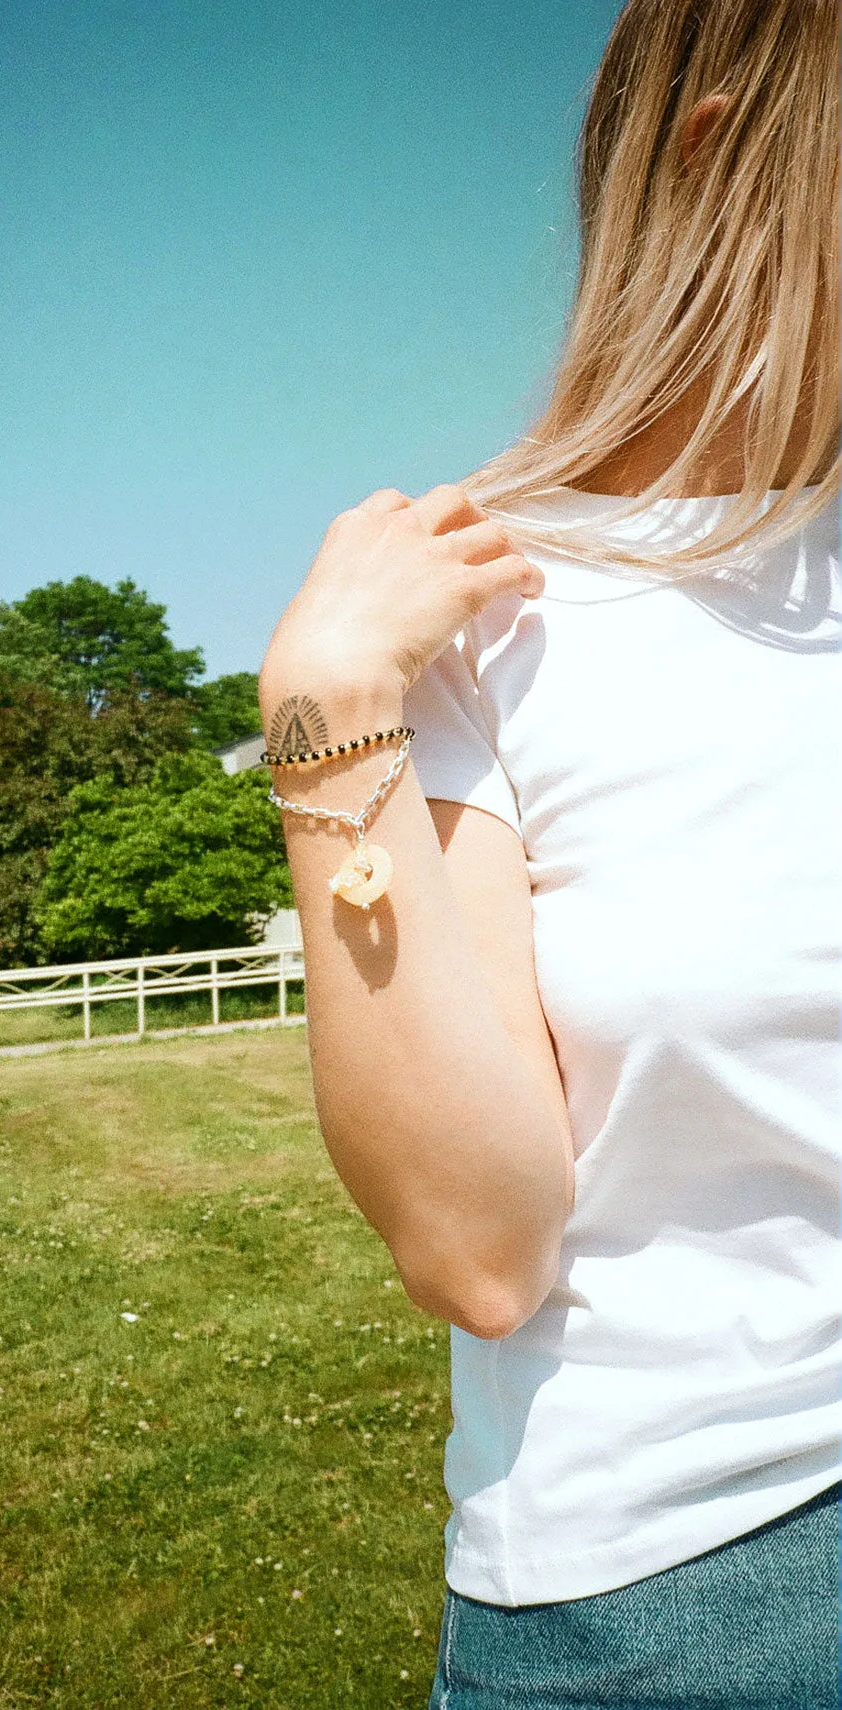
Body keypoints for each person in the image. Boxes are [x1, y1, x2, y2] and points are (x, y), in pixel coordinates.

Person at [257, 1, 840, 1704]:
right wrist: (329, 717)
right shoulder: (491, 614)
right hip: (700, 1596)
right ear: (721, 156)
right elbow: (477, 1244)